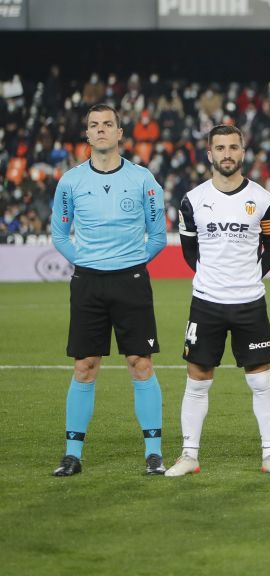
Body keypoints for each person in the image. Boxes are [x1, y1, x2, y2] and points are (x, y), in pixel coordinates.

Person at [165, 125, 270, 477]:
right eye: (220, 147)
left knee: (261, 381)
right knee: (197, 380)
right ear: (209, 153)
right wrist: (211, 278)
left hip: (250, 302)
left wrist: (249, 276)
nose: (227, 153)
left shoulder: (264, 200)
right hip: (206, 303)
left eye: (233, 147)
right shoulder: (191, 200)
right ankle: (189, 455)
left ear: (243, 151)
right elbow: (191, 252)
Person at [50, 104, 167, 476]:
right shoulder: (70, 182)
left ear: (120, 133)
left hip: (131, 281)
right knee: (85, 366)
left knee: (140, 364)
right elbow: (59, 233)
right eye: (93, 125)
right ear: (86, 134)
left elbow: (159, 236)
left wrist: (130, 261)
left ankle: (154, 453)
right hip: (88, 282)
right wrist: (85, 260)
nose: (100, 130)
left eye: (108, 125)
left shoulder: (143, 179)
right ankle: (72, 455)